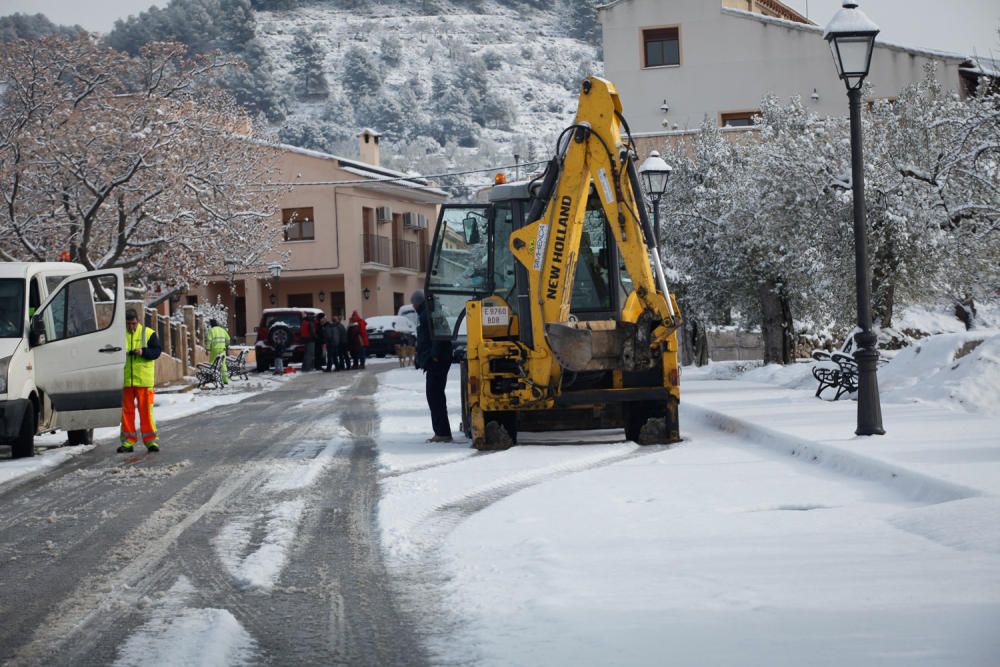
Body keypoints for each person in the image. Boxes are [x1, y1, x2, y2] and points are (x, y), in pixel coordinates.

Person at [412, 290, 453, 442]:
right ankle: (442, 432)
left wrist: (434, 357)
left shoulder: (428, 315)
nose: (413, 306)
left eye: (414, 303)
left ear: (418, 303)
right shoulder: (431, 312)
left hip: (437, 362)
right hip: (437, 360)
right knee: (436, 396)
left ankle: (442, 433)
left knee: (435, 396)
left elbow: (437, 337)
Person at [120, 309, 163, 453]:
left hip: (144, 380)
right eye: (128, 324)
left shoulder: (148, 333)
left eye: (133, 323)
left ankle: (150, 441)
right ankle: (128, 441)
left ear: (137, 321)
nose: (131, 327)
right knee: (127, 412)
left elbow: (157, 351)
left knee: (146, 412)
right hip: (125, 380)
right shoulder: (119, 335)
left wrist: (143, 352)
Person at [206, 318, 231, 386]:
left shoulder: (211, 330)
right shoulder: (222, 330)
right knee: (223, 364)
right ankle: (225, 379)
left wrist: (207, 349)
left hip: (214, 350)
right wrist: (226, 345)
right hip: (222, 349)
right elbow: (228, 339)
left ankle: (214, 378)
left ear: (211, 325)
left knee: (213, 363)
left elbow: (209, 341)